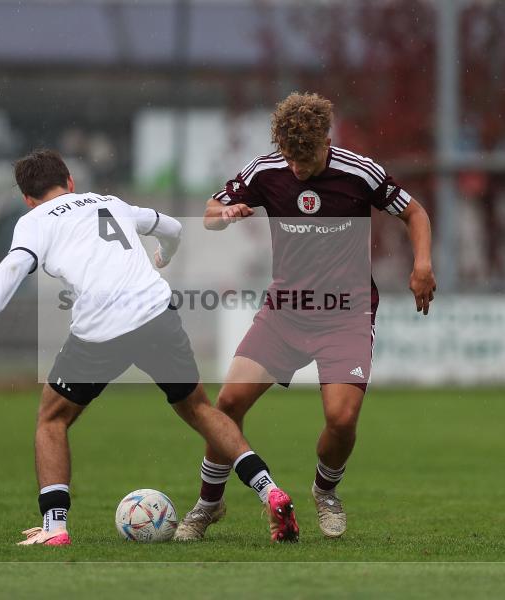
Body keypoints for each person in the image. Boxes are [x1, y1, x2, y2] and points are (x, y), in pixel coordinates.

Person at [0, 149, 299, 546]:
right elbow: (173, 228)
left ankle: (54, 527)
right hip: (156, 312)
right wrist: (164, 255)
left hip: (102, 327)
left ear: (28, 198)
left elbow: (14, 265)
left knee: (52, 420)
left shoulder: (34, 221)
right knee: (200, 409)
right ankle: (269, 490)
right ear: (70, 182)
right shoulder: (108, 202)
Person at [173, 92, 436, 541]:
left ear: (326, 143)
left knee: (342, 418)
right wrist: (227, 213)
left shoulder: (359, 172)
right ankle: (208, 504)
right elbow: (210, 214)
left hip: (347, 313)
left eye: (306, 158)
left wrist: (422, 265)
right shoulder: (266, 170)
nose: (296, 168)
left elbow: (414, 212)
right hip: (286, 312)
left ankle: (325, 491)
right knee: (228, 404)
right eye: (289, 157)